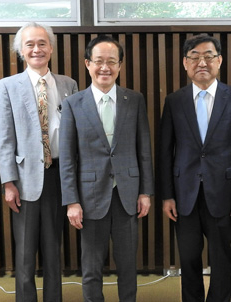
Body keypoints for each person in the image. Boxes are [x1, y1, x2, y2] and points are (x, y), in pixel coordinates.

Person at [158, 34, 231, 302]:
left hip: (224, 193)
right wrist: (167, 195)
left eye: (209, 56)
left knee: (221, 258)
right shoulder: (174, 101)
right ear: (185, 63)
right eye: (195, 57)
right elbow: (165, 152)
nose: (202, 62)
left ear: (219, 61)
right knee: (188, 258)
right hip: (184, 193)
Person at [59, 35, 154, 302]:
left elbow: (143, 149)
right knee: (90, 268)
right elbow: (67, 157)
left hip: (127, 195)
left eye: (111, 62)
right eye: (98, 61)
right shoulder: (73, 104)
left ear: (120, 65)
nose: (105, 68)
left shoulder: (133, 100)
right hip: (89, 198)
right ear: (88, 64)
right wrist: (71, 201)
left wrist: (146, 191)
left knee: (128, 267)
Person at [0, 22, 77, 302]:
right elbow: (4, 138)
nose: (36, 49)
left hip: (59, 175)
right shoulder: (7, 86)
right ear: (21, 50)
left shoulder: (68, 84)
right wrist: (8, 182)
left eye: (42, 43)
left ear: (51, 48)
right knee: (25, 253)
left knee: (54, 250)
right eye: (29, 44)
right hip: (24, 178)